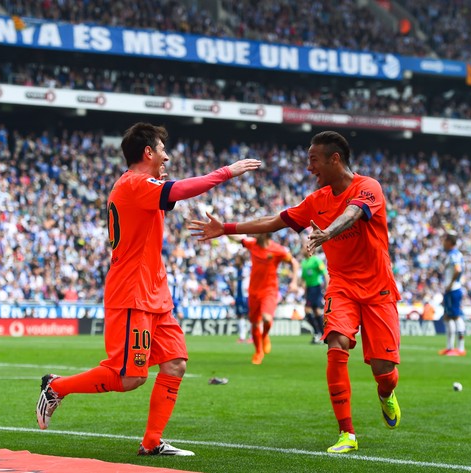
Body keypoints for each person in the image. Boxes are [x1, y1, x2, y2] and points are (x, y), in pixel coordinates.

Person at [35, 122, 260, 456]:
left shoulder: (143, 184)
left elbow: (170, 193)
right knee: (129, 378)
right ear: (148, 152)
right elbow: (178, 191)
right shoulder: (134, 183)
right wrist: (226, 172)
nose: (167, 156)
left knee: (175, 363)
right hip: (132, 293)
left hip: (155, 290)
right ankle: (56, 387)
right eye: (162, 149)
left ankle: (152, 442)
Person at [189, 131, 401, 454]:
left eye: (313, 160)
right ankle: (347, 434)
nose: (308, 168)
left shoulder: (368, 188)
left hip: (378, 288)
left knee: (384, 373)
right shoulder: (316, 202)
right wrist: (227, 228)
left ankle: (385, 394)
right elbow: (274, 221)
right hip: (341, 285)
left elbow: (354, 213)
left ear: (335, 159)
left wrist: (327, 232)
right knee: (335, 344)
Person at [228, 234, 299, 364]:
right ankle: (258, 351)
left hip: (269, 291)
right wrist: (222, 228)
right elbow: (237, 238)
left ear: (266, 234)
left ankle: (265, 336)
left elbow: (294, 262)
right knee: (254, 323)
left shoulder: (277, 250)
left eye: (258, 231)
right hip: (253, 291)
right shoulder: (252, 244)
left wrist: (294, 282)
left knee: (267, 318)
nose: (255, 233)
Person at [439, 231, 466, 356]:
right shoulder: (454, 254)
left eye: (445, 241)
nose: (443, 243)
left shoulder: (454, 254)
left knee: (456, 316)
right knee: (447, 317)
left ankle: (460, 348)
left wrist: (450, 284)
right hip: (451, 289)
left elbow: (458, 269)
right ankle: (450, 348)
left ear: (449, 242)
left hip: (453, 289)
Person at [300, 243, 329, 344]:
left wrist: (326, 286)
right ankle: (320, 333)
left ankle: (319, 333)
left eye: (303, 248)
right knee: (311, 312)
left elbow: (324, 274)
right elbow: (303, 278)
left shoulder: (316, 260)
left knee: (313, 311)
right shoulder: (304, 262)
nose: (302, 250)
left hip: (316, 287)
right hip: (309, 289)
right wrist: (302, 286)